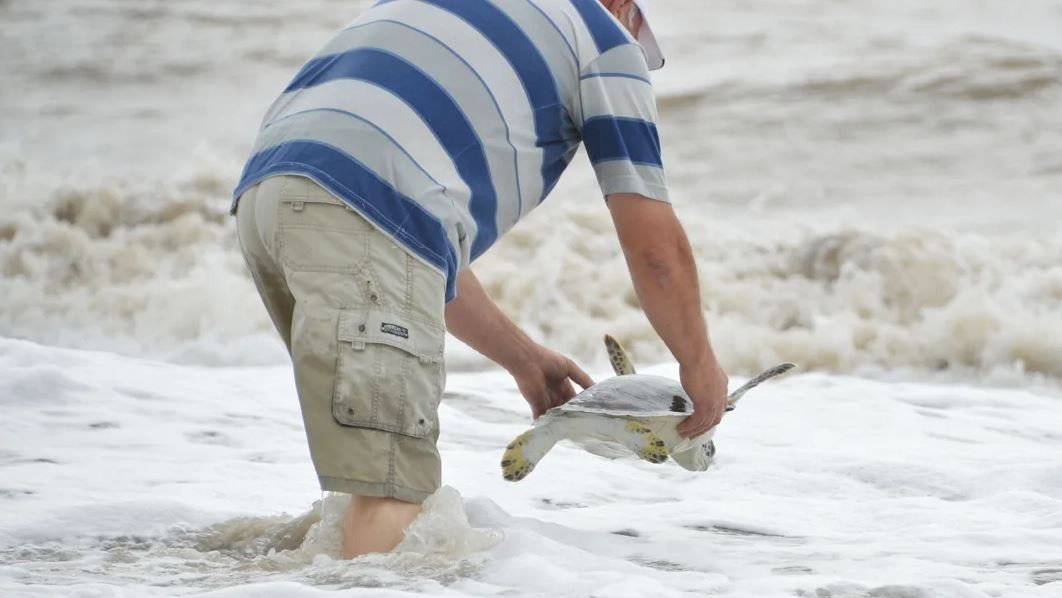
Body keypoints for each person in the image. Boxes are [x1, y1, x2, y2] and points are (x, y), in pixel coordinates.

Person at [232, 0, 729, 558]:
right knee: (393, 489)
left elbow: (413, 249)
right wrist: (699, 363)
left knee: (368, 473)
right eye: (640, 30)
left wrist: (523, 356)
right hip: (361, 209)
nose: (636, 44)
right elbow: (655, 247)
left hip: (268, 196)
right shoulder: (604, 38)